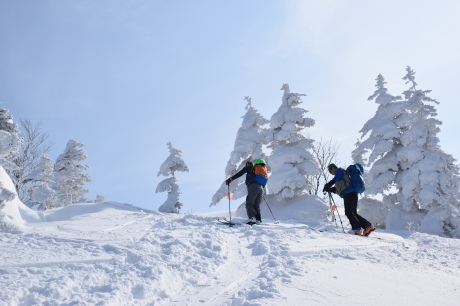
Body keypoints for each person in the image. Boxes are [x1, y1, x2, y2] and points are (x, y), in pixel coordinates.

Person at [323, 163, 376, 236]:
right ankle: (368, 226)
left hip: (349, 194)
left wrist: (329, 184)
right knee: (353, 213)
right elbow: (339, 189)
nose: (331, 173)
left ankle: (357, 228)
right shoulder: (341, 177)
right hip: (352, 193)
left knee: (348, 212)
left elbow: (337, 178)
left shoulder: (340, 171)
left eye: (331, 171)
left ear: (333, 168)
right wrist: (330, 189)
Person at [226, 159, 268, 225]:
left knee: (249, 203)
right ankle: (258, 220)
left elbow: (240, 173)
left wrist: (230, 179)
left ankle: (252, 218)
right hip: (260, 188)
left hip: (253, 186)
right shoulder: (261, 171)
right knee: (256, 205)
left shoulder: (249, 168)